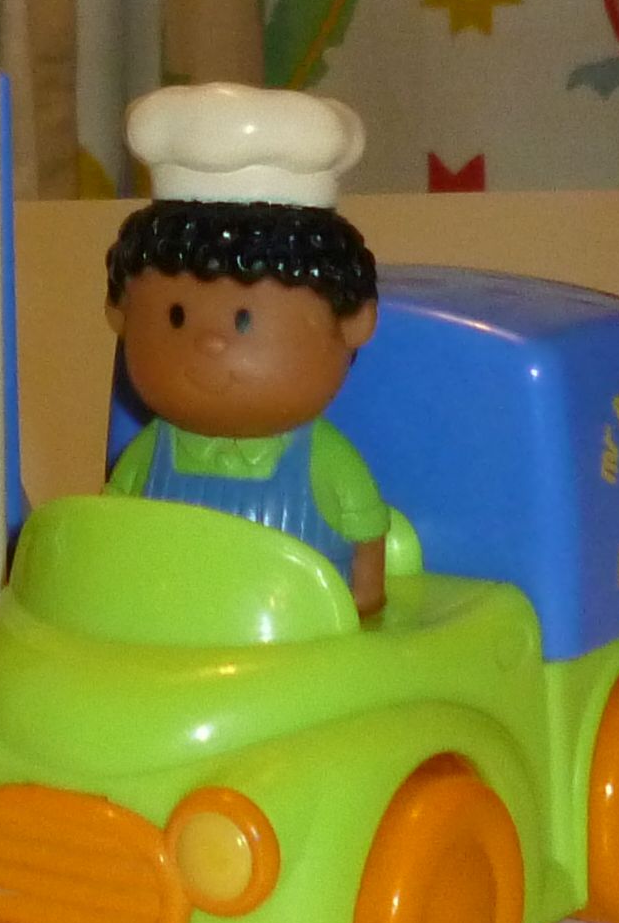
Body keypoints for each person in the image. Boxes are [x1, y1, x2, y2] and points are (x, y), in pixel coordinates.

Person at [105, 84, 412, 618]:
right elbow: (111, 533)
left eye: (244, 320)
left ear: (352, 324)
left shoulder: (325, 463)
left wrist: (363, 604)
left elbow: (367, 539)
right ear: (121, 317)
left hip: (296, 637)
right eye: (176, 317)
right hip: (162, 630)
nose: (210, 342)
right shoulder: (148, 455)